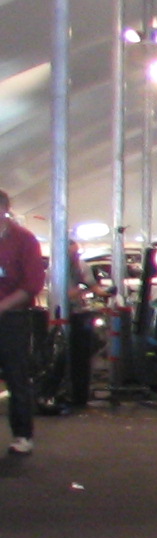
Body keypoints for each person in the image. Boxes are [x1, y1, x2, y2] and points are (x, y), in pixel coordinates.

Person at [0, 189, 48, 455]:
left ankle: (22, 435)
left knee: (16, 376)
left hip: (13, 319)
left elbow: (32, 284)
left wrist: (3, 307)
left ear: (5, 209)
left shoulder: (24, 240)